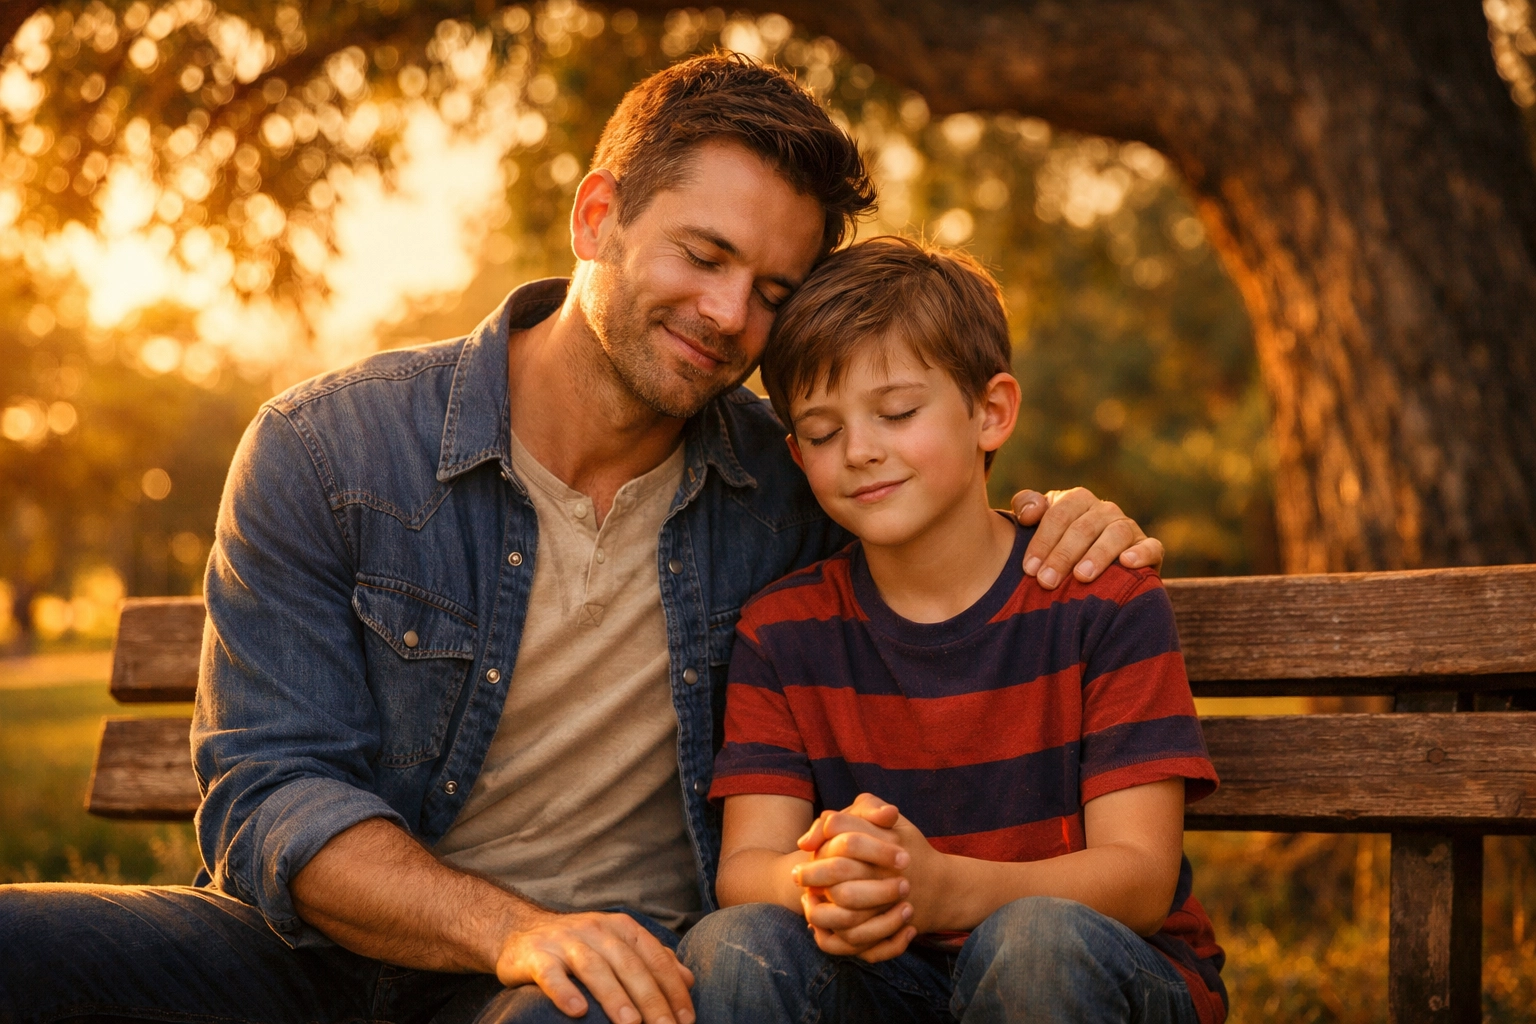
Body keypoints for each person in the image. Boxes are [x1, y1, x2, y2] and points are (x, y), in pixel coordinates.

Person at [0, 57, 1163, 1024]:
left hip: (602, 981)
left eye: (769, 290)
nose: (727, 316)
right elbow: (268, 791)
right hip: (307, 958)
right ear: (597, 215)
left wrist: (1055, 518)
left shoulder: (785, 478)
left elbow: (927, 491)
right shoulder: (329, 449)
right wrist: (511, 929)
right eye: (702, 257)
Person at [680, 236, 1226, 1024]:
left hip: (1096, 971)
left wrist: (943, 889)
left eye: (897, 412)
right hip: (891, 979)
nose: (861, 451)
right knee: (732, 945)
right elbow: (746, 869)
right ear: (797, 455)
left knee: (1035, 945)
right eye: (824, 433)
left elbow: (1140, 880)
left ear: (992, 413)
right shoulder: (783, 632)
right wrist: (829, 878)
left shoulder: (1100, 602)